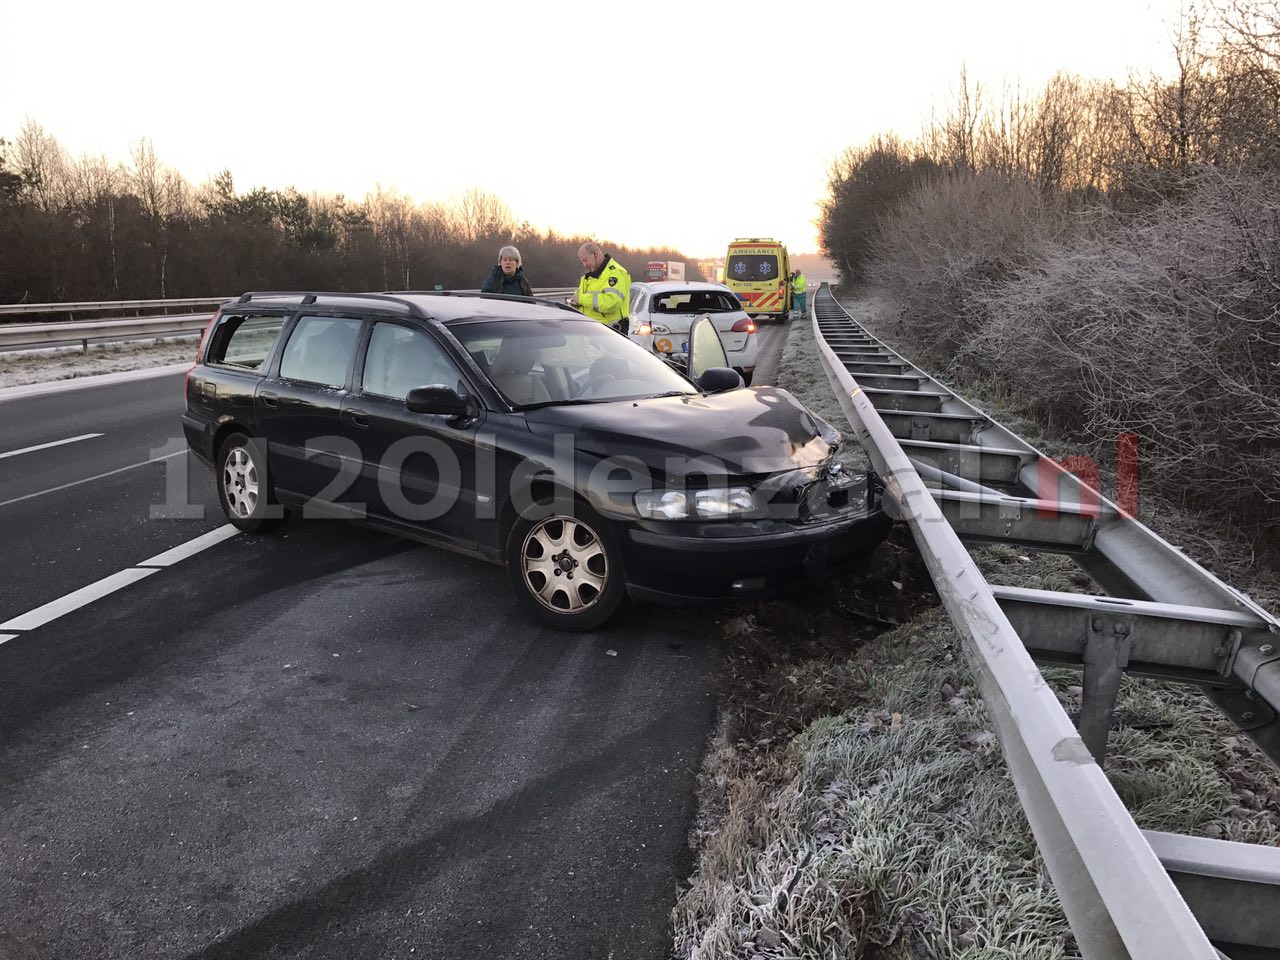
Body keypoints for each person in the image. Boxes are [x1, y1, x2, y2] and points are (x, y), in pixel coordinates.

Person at [572, 242, 631, 333]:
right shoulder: (587, 278)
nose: (584, 265)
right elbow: (586, 303)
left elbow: (610, 302)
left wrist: (580, 299)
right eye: (582, 262)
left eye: (585, 260)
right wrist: (576, 304)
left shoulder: (616, 273)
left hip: (612, 334)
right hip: (593, 332)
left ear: (595, 255)